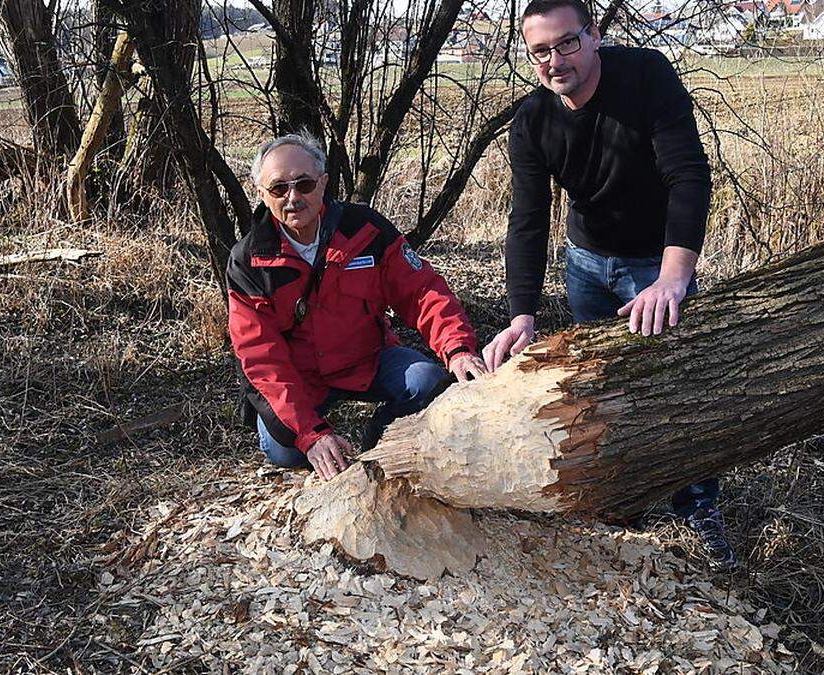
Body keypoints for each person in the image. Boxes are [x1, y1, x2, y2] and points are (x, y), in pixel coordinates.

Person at [481, 0, 735, 568]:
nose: (555, 60)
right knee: (601, 390)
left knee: (677, 387)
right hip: (587, 263)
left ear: (594, 35)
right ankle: (619, 503)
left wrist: (674, 277)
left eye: (567, 43)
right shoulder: (532, 120)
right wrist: (521, 314)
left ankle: (697, 507)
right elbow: (527, 219)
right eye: (540, 51)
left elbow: (688, 175)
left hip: (655, 264)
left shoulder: (646, 76)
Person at [228, 132, 486, 481]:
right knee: (283, 449)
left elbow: (422, 290)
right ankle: (324, 442)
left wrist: (457, 348)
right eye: (278, 189)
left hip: (368, 359)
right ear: (261, 194)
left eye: (304, 184)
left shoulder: (365, 228)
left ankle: (378, 444)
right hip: (301, 379)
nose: (293, 198)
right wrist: (311, 434)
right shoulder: (249, 260)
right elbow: (262, 359)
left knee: (427, 380)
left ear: (323, 183)